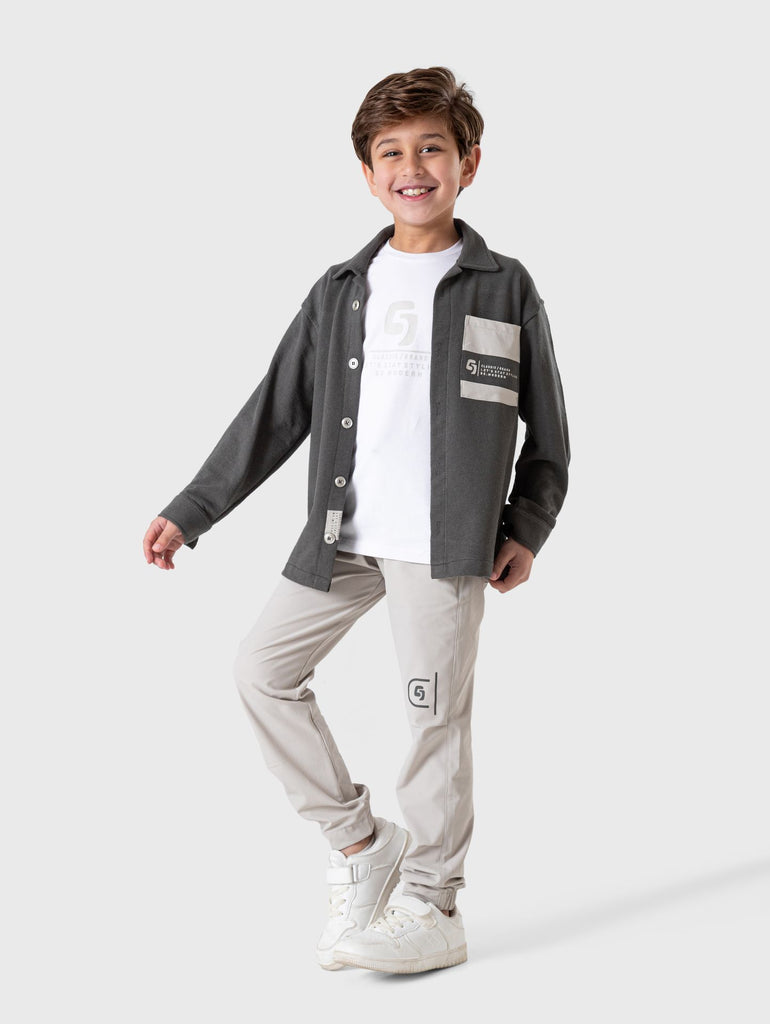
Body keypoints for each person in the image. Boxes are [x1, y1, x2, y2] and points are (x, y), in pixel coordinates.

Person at [142, 66, 570, 974]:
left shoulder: (505, 287)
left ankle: (433, 903)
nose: (413, 168)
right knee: (262, 672)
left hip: (443, 548)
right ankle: (362, 844)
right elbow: (275, 411)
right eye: (391, 153)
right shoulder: (343, 287)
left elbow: (550, 431)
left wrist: (526, 525)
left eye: (432, 149)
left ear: (469, 163)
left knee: (432, 724)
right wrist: (194, 508)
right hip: (342, 539)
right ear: (368, 175)